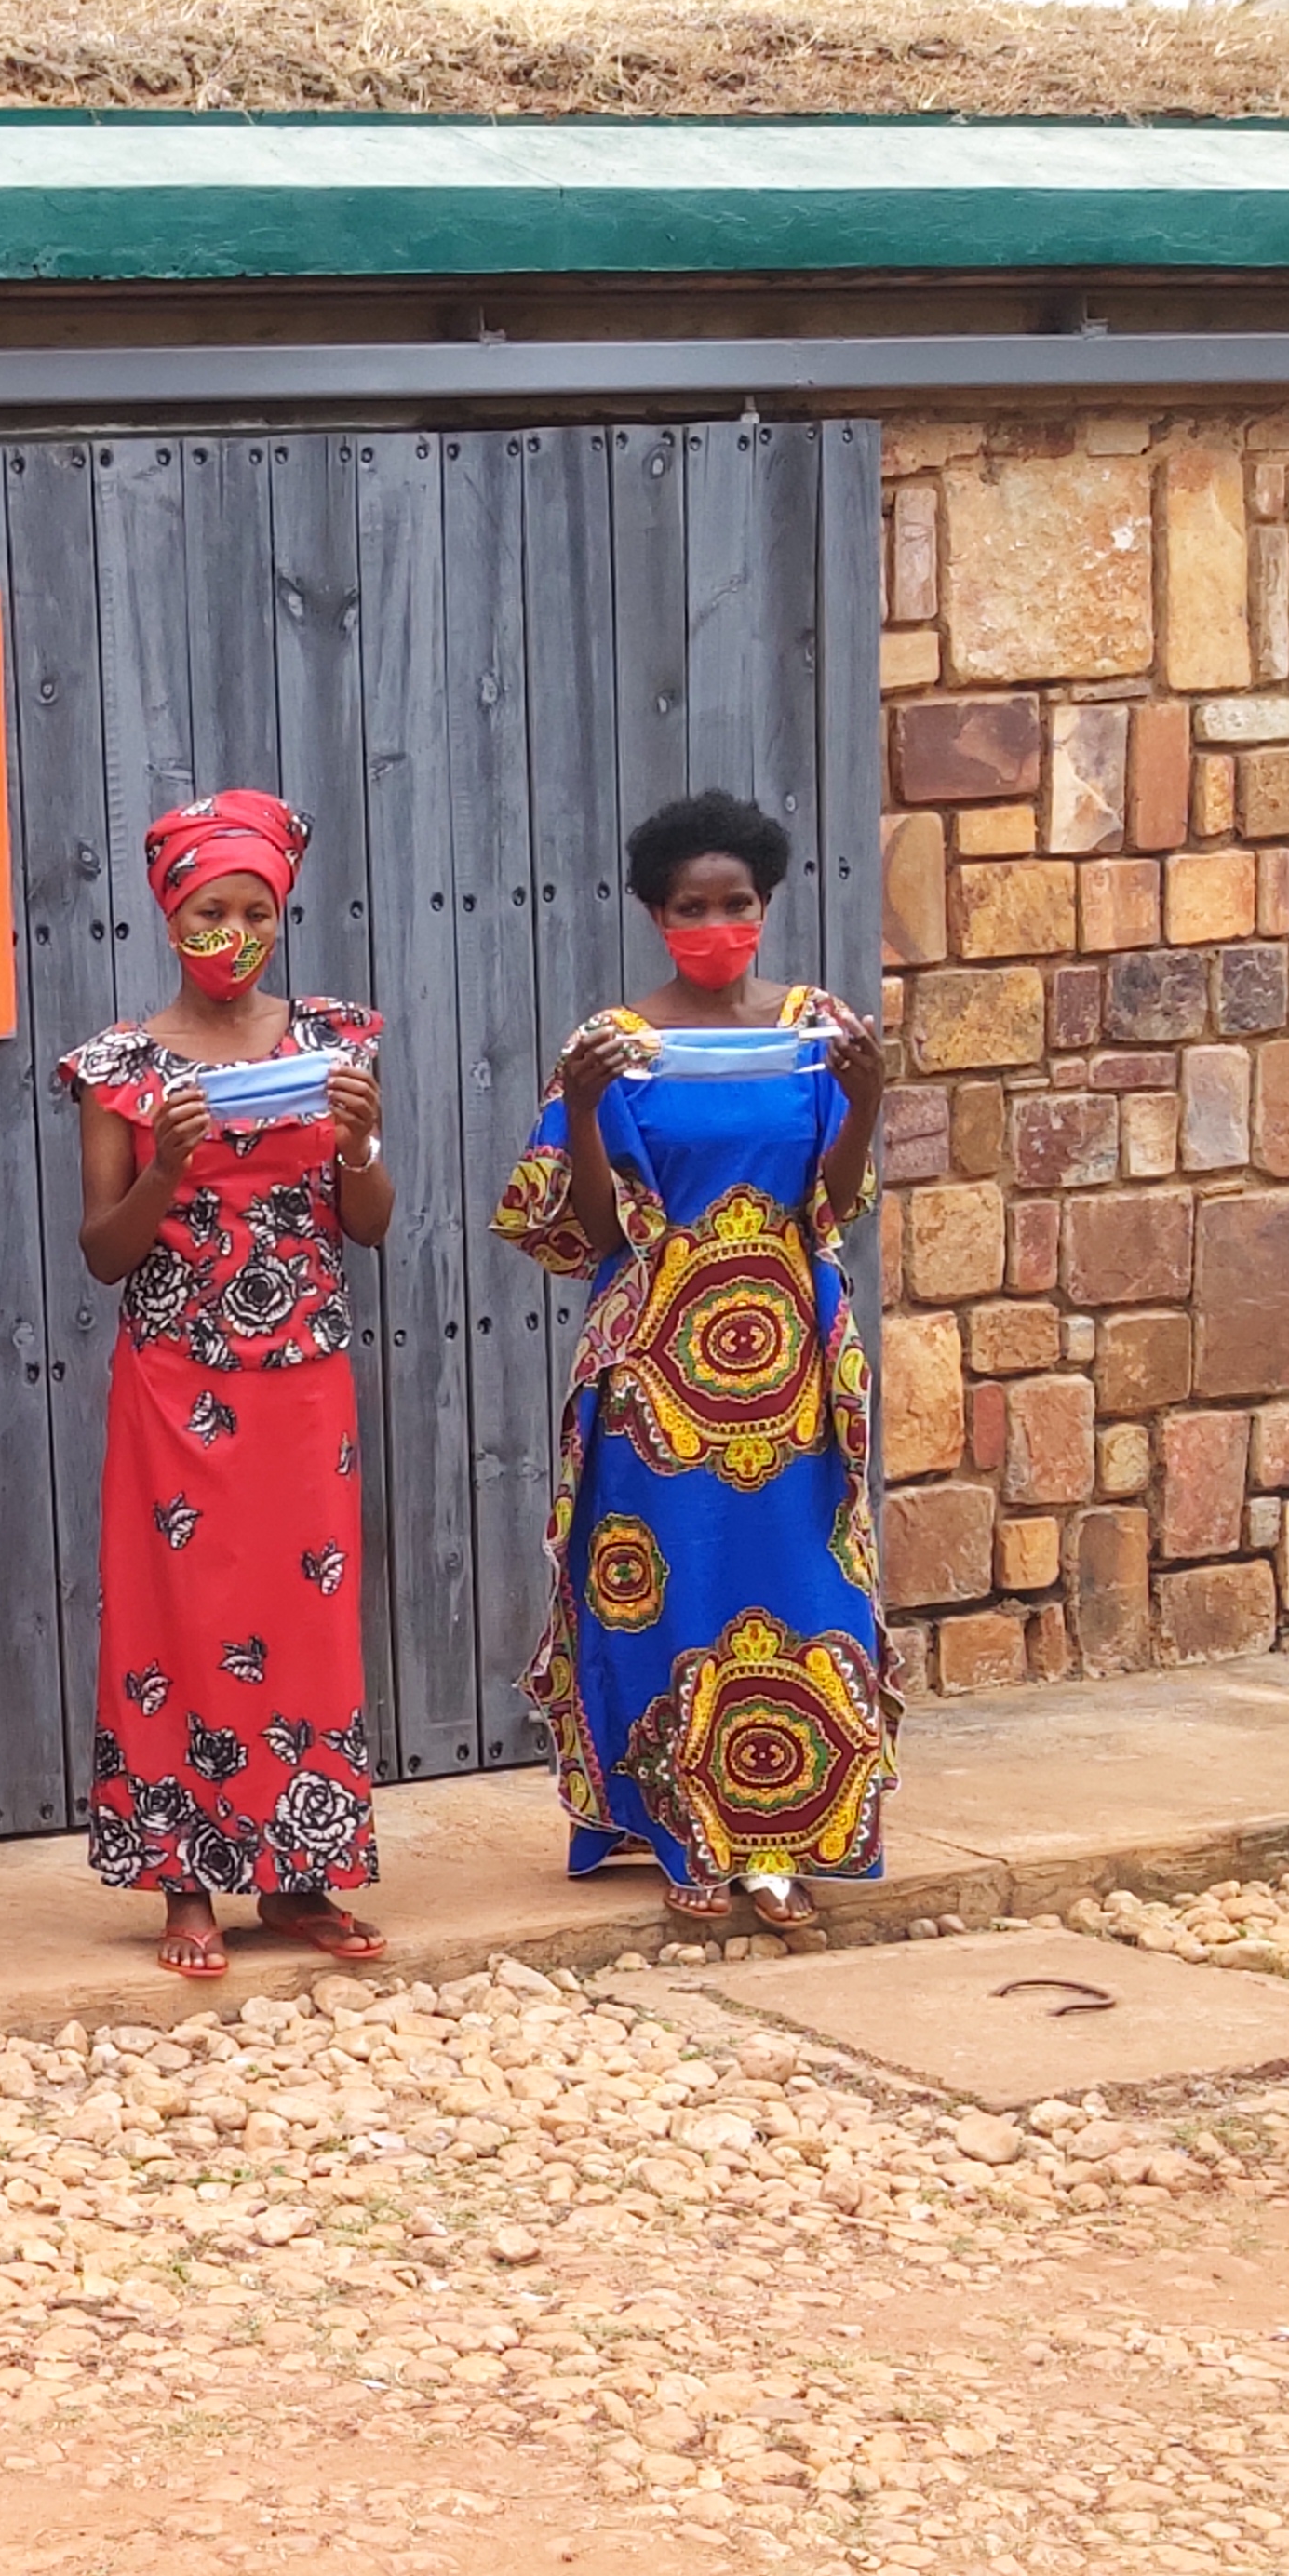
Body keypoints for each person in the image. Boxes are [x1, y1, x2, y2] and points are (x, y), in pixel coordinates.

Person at [489, 788, 893, 1937]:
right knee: (662, 1598)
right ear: (656, 914)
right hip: (658, 1376)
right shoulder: (620, 1049)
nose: (717, 923)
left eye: (738, 903)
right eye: (691, 906)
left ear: (767, 905)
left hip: (795, 1365)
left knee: (798, 1591)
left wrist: (865, 1102)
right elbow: (576, 1234)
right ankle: (680, 1831)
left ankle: (780, 1843)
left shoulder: (820, 1035)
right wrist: (578, 1104)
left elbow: (840, 1206)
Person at [63, 786, 395, 1978]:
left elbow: (368, 1223)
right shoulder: (119, 1068)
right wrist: (168, 1167)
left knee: (305, 1622)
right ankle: (186, 1882)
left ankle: (301, 1876)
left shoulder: (338, 1044)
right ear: (170, 914)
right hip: (172, 1382)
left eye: (254, 909)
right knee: (178, 1621)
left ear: (281, 911)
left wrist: (358, 1141)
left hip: (305, 1382)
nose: (232, 932)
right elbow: (104, 1252)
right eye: (209, 910)